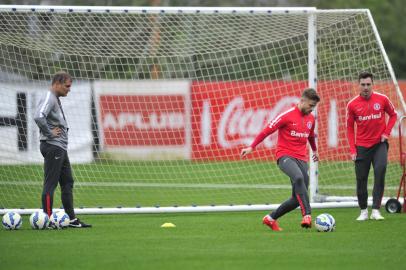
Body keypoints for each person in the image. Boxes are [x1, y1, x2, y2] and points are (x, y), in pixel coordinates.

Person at [241, 88, 320, 231]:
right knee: (298, 178)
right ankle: (307, 215)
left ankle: (270, 218)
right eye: (310, 105)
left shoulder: (311, 118)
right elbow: (267, 130)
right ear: (302, 101)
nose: (311, 109)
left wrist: (314, 151)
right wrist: (252, 147)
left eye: (314, 107)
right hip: (285, 156)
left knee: (297, 199)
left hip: (302, 158)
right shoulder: (287, 115)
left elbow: (310, 136)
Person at [34, 71, 91, 228]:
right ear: (57, 83)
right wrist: (49, 132)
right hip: (53, 146)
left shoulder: (55, 98)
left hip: (59, 147)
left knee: (67, 182)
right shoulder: (49, 97)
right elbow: (38, 116)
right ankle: (47, 220)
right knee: (50, 184)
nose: (69, 89)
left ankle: (71, 219)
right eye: (67, 86)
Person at [346, 71, 397, 221]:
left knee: (380, 171)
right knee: (361, 179)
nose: (366, 87)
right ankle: (363, 211)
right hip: (361, 147)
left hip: (379, 145)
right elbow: (349, 128)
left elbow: (393, 115)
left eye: (368, 84)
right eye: (363, 85)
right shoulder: (352, 104)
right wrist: (352, 149)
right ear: (358, 85)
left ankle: (376, 210)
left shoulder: (382, 99)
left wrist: (386, 133)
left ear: (372, 84)